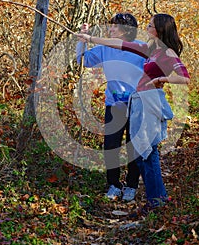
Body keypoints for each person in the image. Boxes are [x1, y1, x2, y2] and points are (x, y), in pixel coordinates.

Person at [76, 13, 190, 210]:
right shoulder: (148, 48)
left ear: (159, 30)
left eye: (150, 25)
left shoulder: (163, 52)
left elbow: (184, 77)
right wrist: (88, 38)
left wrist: (162, 80)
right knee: (136, 150)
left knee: (144, 150)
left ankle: (148, 195)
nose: (146, 27)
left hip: (146, 104)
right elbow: (116, 46)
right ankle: (149, 197)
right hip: (129, 103)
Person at [76, 13, 146, 201]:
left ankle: (131, 186)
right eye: (111, 26)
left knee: (134, 146)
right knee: (111, 146)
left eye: (115, 27)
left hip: (138, 106)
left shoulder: (140, 48)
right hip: (114, 105)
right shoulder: (105, 48)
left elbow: (155, 69)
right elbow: (83, 60)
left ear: (126, 30)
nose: (110, 29)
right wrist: (82, 39)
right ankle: (114, 184)